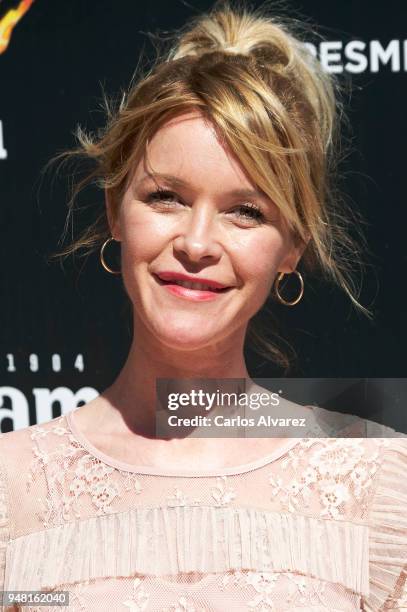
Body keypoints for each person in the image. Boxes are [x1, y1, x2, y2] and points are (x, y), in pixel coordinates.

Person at [0, 4, 406, 611]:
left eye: (246, 211)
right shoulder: (12, 491)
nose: (195, 243)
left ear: (292, 246)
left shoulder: (375, 487)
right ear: (116, 210)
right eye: (166, 197)